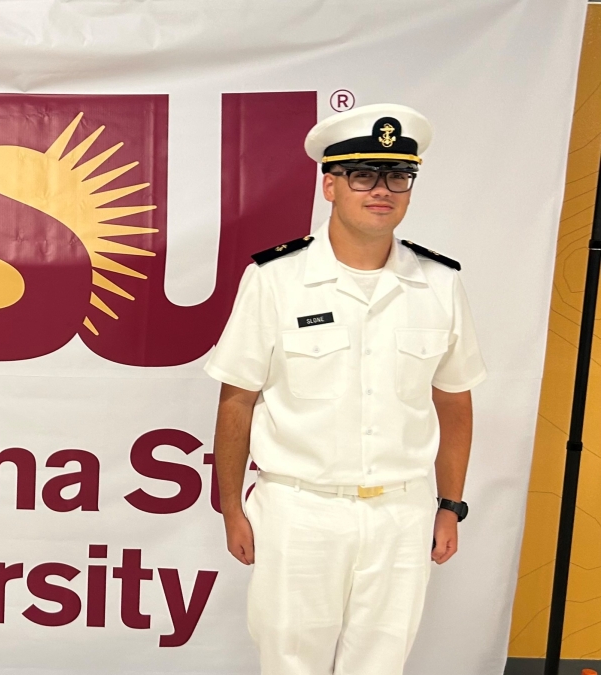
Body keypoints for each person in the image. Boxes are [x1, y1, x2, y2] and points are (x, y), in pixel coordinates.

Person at [203, 103, 486, 675]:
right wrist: (231, 506)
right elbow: (238, 399)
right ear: (329, 185)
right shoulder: (276, 279)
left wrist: (449, 505)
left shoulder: (439, 283)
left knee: (381, 665)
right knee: (290, 663)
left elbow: (454, 398)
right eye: (363, 175)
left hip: (402, 511)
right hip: (299, 509)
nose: (383, 190)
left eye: (398, 176)